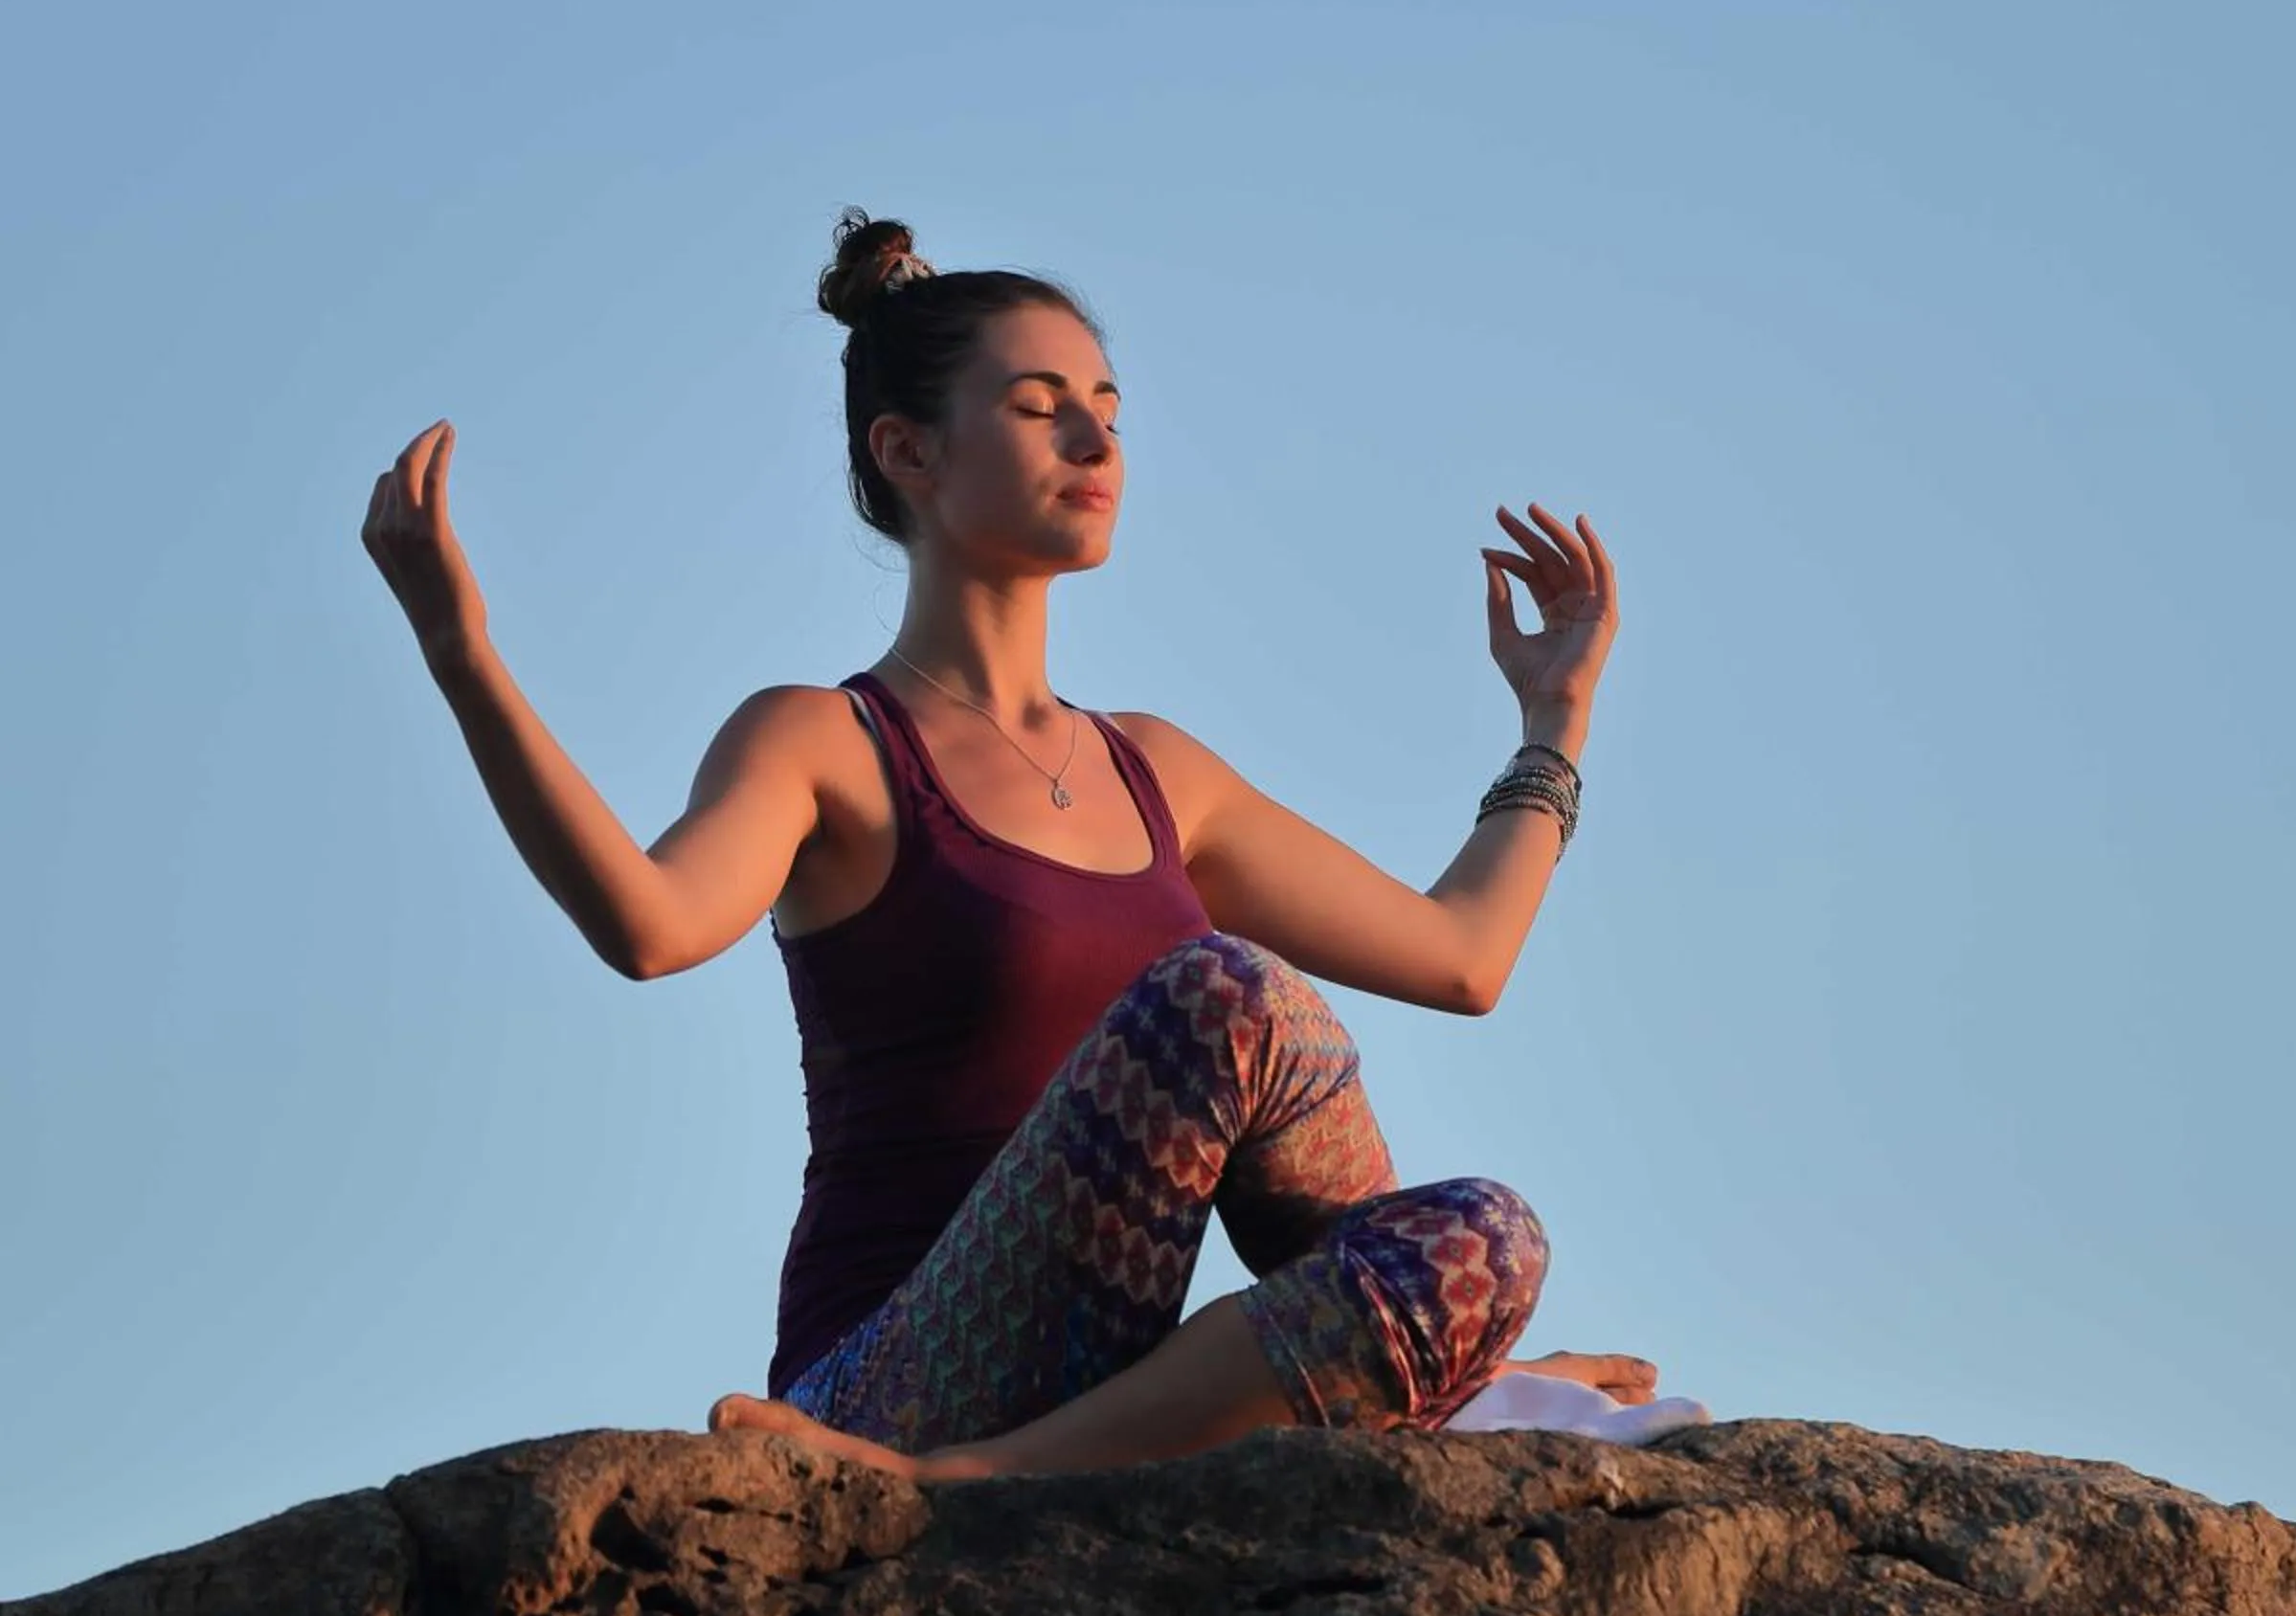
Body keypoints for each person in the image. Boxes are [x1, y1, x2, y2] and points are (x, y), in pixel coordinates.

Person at [359, 207, 1654, 1485]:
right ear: (909, 450)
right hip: (881, 1384)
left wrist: (1555, 721)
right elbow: (649, 926)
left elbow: (1463, 957)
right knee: (1224, 994)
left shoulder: (1157, 771)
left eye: (1110, 412)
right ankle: (969, 1478)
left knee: (1489, 1236)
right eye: (1041, 408)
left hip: (1099, 1392)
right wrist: (462, 656)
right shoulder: (827, 741)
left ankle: (1185, 1438)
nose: (1096, 441)